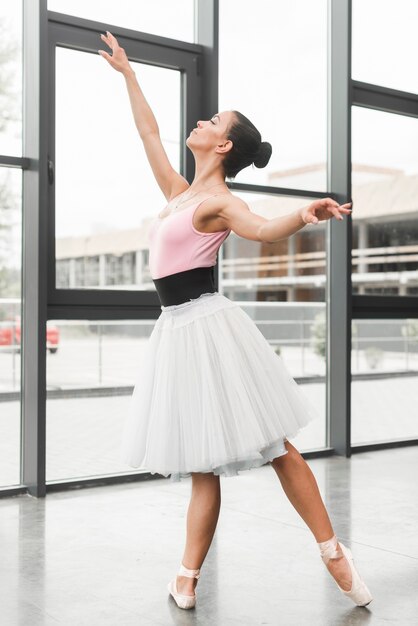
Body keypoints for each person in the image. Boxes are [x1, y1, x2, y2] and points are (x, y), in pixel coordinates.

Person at [98, 31, 372, 611]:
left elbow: (263, 227)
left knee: (276, 445)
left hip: (209, 328)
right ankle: (186, 578)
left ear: (223, 145)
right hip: (176, 330)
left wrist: (303, 212)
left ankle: (331, 551)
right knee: (203, 463)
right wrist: (129, 76)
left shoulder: (220, 201)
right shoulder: (179, 192)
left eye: (213, 119)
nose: (202, 120)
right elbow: (148, 132)